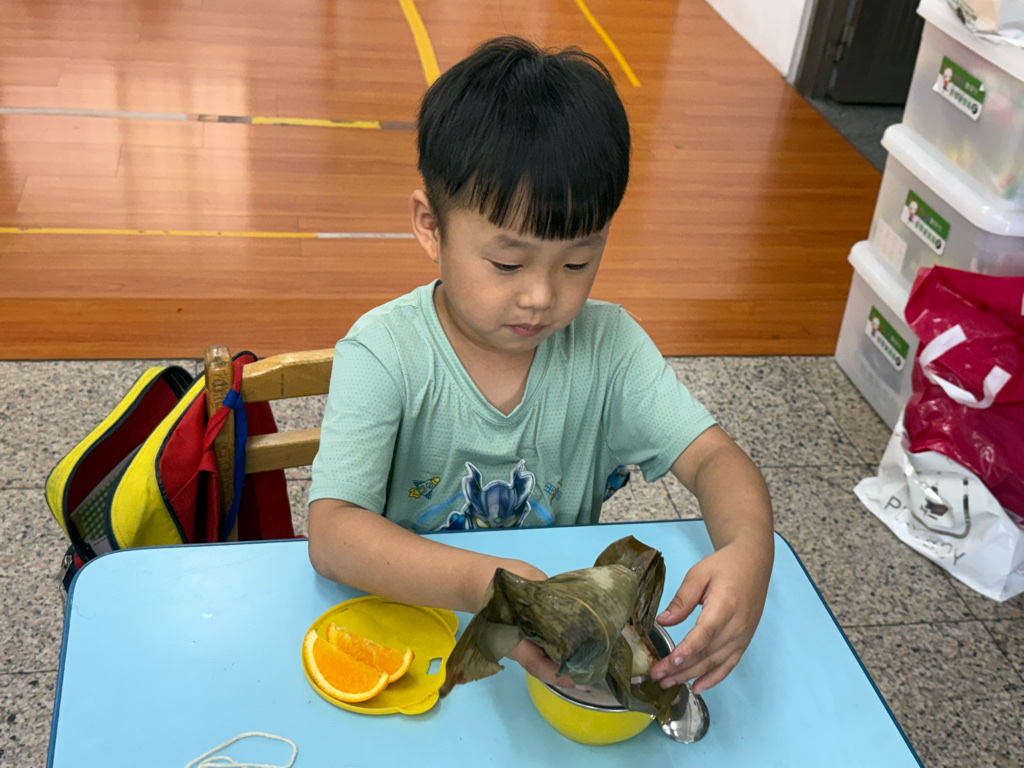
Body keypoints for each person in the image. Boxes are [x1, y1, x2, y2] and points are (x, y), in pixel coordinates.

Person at [307, 36, 774, 696]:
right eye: (507, 263)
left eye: (577, 262)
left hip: (554, 654)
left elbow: (714, 460)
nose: (541, 295)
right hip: (413, 635)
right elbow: (332, 534)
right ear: (431, 226)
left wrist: (750, 553)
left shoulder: (609, 347)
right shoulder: (384, 354)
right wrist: (492, 586)